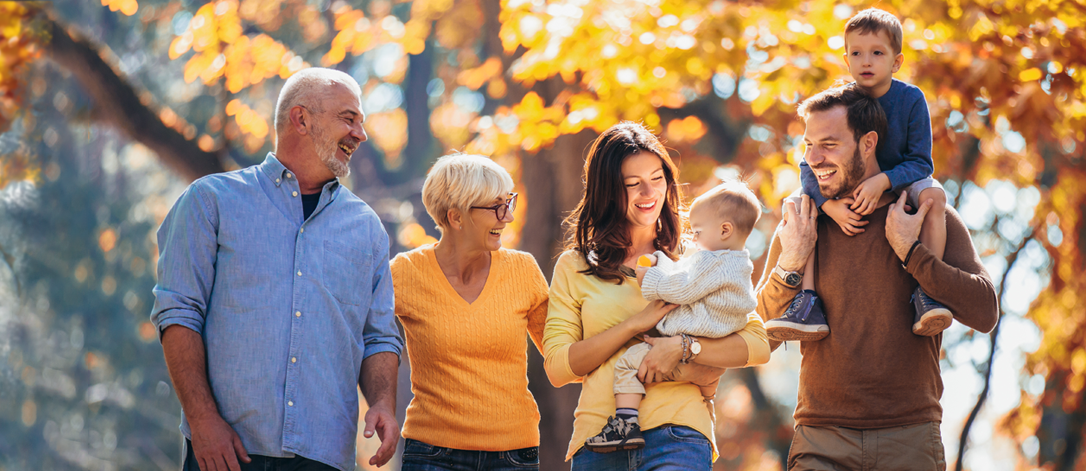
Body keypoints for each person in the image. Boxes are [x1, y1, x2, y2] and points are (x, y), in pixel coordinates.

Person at [151, 68, 403, 471]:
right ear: (301, 119)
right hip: (226, 452)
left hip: (323, 457)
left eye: (361, 122)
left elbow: (378, 337)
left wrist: (383, 404)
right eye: (349, 119)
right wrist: (202, 421)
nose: (361, 135)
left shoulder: (367, 228)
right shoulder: (210, 201)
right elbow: (178, 314)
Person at [757, 85, 998, 470]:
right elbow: (756, 337)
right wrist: (791, 261)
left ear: (868, 143)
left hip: (910, 438)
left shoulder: (923, 216)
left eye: (829, 145)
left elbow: (985, 312)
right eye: (808, 145)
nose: (813, 159)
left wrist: (911, 252)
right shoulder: (802, 223)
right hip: (820, 439)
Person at [543, 122, 771, 470]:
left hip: (678, 434)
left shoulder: (697, 256)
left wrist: (683, 347)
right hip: (598, 440)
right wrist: (636, 323)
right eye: (632, 184)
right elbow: (559, 367)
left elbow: (757, 344)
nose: (649, 192)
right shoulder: (575, 266)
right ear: (607, 191)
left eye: (657, 178)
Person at [769, 8, 953, 341]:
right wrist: (828, 205)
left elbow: (921, 162)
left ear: (896, 62)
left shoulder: (911, 99)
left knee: (934, 196)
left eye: (877, 53)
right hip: (843, 187)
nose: (866, 61)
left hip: (900, 183)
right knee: (799, 206)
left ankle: (928, 292)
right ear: (846, 59)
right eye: (856, 53)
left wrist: (883, 180)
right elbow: (809, 164)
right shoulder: (843, 101)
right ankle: (807, 301)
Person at [390, 153, 548, 470]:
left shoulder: (523, 270)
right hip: (432, 454)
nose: (508, 216)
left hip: (513, 455)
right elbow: (362, 337)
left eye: (508, 202)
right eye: (495, 207)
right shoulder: (405, 272)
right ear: (456, 218)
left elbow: (565, 355)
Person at [585, 181, 762, 453]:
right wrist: (662, 261)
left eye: (698, 231)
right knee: (706, 385)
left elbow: (682, 287)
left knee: (628, 364)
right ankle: (706, 402)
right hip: (714, 341)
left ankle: (625, 424)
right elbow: (686, 272)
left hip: (690, 335)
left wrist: (649, 278)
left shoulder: (711, 261)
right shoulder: (738, 263)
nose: (694, 239)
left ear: (725, 230)